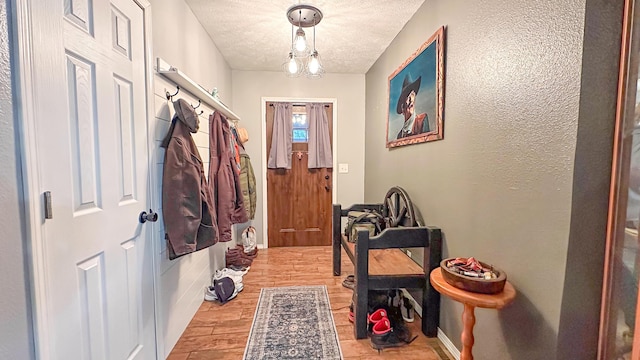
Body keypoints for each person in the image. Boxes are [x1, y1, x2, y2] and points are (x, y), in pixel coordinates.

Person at [396, 74, 429, 139]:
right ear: (402, 108)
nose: (411, 99)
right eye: (407, 96)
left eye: (412, 94)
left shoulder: (422, 120)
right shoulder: (400, 135)